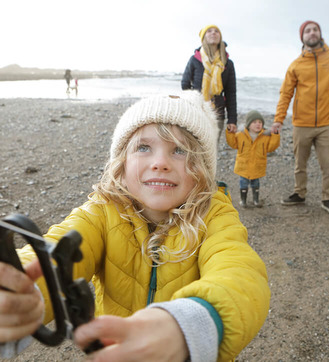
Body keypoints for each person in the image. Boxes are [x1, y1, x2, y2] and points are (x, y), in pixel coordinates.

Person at [0, 91, 270, 361]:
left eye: (180, 150)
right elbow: (56, 248)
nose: (160, 163)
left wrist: (190, 326)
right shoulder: (102, 212)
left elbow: (242, 274)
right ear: (122, 163)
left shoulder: (214, 216)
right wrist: (19, 290)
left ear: (202, 169)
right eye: (143, 148)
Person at [271, 20, 329, 216]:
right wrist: (279, 118)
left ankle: (328, 198)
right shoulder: (296, 65)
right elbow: (286, 93)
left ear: (320, 34)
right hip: (301, 124)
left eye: (315, 30)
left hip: (325, 124)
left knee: (328, 164)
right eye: (308, 31)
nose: (312, 33)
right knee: (299, 163)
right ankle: (299, 193)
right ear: (302, 37)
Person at [181, 25, 237, 141]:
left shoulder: (227, 63)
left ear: (220, 37)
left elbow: (230, 92)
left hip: (217, 111)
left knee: (212, 148)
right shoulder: (195, 59)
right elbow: (185, 84)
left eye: (217, 31)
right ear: (203, 37)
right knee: (195, 145)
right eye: (209, 31)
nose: (213, 33)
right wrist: (194, 100)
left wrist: (232, 119)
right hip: (197, 110)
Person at [226, 110, 280, 208]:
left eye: (260, 122)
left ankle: (256, 200)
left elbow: (271, 147)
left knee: (256, 183)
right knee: (243, 183)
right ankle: (243, 200)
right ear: (248, 124)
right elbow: (233, 144)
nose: (258, 124)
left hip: (257, 165)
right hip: (244, 165)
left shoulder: (265, 136)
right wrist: (230, 133)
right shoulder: (240, 134)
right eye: (254, 122)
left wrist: (275, 135)